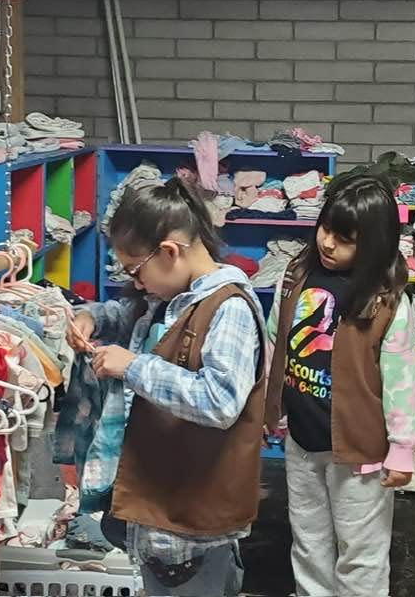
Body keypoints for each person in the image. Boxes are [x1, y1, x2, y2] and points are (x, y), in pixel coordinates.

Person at [67, 177, 266, 597]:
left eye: (136, 271)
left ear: (170, 252)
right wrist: (93, 318)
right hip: (161, 508)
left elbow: (220, 401)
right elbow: (134, 316)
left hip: (192, 517)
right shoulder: (172, 297)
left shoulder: (228, 309)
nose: (136, 284)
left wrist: (134, 367)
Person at [264, 173, 415, 597]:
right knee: (309, 542)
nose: (328, 243)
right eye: (326, 229)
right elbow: (275, 340)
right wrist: (270, 405)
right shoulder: (297, 274)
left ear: (373, 245)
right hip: (302, 440)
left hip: (359, 451)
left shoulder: (388, 301)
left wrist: (402, 448)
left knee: (361, 550)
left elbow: (402, 378)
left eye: (345, 239)